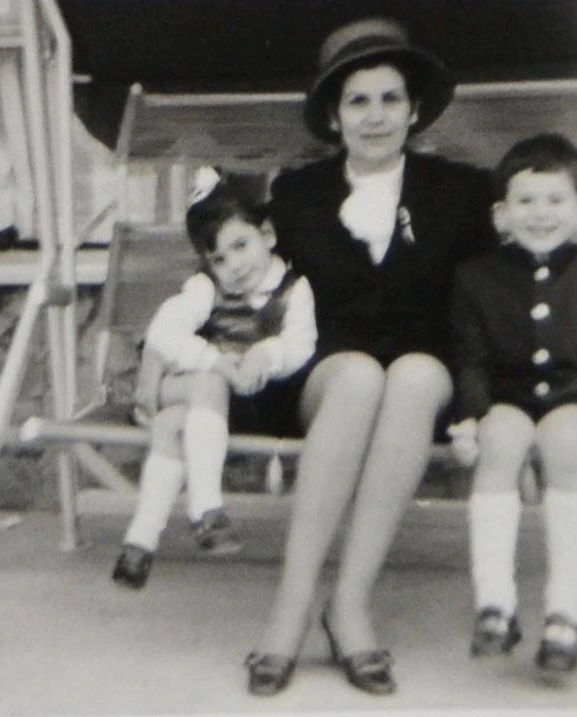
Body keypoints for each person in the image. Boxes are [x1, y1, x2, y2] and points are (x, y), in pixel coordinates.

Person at [244, 18, 498, 696]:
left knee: (413, 376)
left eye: (391, 99)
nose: (376, 116)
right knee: (358, 376)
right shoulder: (297, 195)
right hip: (326, 370)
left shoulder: (462, 192)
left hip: (425, 371)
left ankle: (350, 605)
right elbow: (253, 288)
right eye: (358, 101)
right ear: (334, 116)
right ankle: (290, 608)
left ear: (414, 110)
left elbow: (493, 289)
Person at [112, 168, 316, 589]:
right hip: (201, 395)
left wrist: (268, 353)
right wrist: (215, 361)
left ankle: (140, 542)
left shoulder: (294, 290)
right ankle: (207, 510)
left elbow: (301, 345)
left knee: (172, 424)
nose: (234, 265)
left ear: (267, 235)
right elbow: (163, 333)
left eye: (240, 246)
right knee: (208, 381)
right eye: (219, 259)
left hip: (252, 407)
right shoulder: (204, 288)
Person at [448, 133, 577, 674]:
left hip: (572, 397)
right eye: (525, 201)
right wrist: (470, 415)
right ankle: (495, 603)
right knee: (498, 441)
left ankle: (566, 609)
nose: (540, 213)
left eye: (556, 199)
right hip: (509, 396)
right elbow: (471, 359)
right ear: (501, 214)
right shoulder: (477, 276)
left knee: (570, 444)